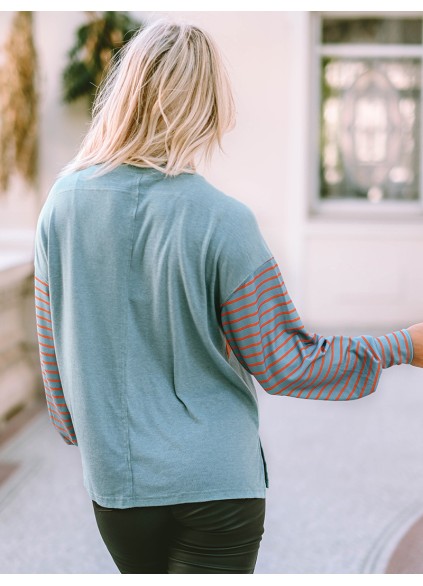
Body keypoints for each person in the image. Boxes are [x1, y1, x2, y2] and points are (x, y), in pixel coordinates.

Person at [33, 18, 423, 574]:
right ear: (208, 107)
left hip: (116, 490)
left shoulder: (60, 208)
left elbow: (56, 377)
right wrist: (400, 345)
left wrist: (88, 429)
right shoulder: (225, 221)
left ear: (126, 94)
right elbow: (283, 362)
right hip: (217, 486)